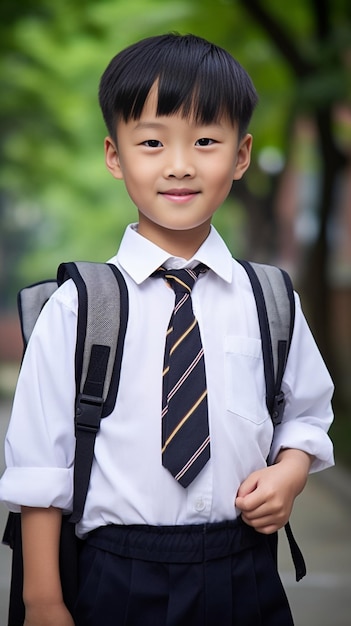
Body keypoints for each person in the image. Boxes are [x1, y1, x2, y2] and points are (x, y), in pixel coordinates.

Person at [0, 33, 334, 626]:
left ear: (241, 154)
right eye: (152, 142)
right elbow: (39, 467)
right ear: (114, 154)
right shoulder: (79, 307)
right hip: (116, 574)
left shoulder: (271, 299)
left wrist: (290, 472)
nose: (180, 164)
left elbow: (305, 414)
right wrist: (43, 601)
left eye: (206, 141)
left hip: (244, 573)